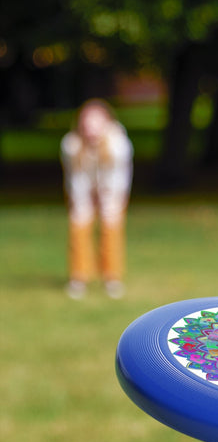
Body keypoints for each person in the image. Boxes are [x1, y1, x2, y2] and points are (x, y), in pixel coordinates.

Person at [60, 98, 133, 299]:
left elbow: (118, 177)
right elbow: (76, 177)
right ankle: (79, 277)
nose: (91, 128)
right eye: (87, 122)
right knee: (79, 225)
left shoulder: (118, 144)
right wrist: (84, 200)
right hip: (82, 190)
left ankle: (112, 277)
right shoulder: (71, 144)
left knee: (111, 228)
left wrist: (106, 198)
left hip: (112, 190)